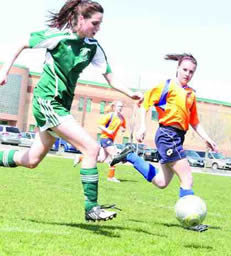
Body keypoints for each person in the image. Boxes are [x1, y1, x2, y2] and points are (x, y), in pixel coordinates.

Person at [0, 0, 142, 222]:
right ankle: (91, 208)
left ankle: (110, 158)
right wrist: (4, 70)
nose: (98, 28)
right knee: (91, 148)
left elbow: (111, 78)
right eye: (95, 23)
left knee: (31, 159)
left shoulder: (92, 46)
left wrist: (130, 93)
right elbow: (22, 43)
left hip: (60, 107)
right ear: (81, 19)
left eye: (101, 24)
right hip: (47, 101)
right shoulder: (58, 36)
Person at [111, 53, 217, 231]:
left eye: (191, 71)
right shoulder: (166, 86)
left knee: (161, 182)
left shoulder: (191, 94)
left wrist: (207, 138)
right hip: (167, 135)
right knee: (187, 178)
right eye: (184, 69)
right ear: (178, 68)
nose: (187, 73)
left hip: (177, 137)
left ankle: (130, 156)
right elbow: (143, 104)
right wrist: (142, 126)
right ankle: (190, 221)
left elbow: (194, 121)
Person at [73, 100, 126, 183]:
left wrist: (123, 129)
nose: (120, 108)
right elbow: (100, 125)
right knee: (115, 156)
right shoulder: (110, 115)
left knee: (101, 159)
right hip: (105, 138)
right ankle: (110, 177)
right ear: (114, 107)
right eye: (119, 106)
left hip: (111, 139)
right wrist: (108, 131)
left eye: (122, 106)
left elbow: (123, 126)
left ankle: (80, 158)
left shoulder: (122, 118)